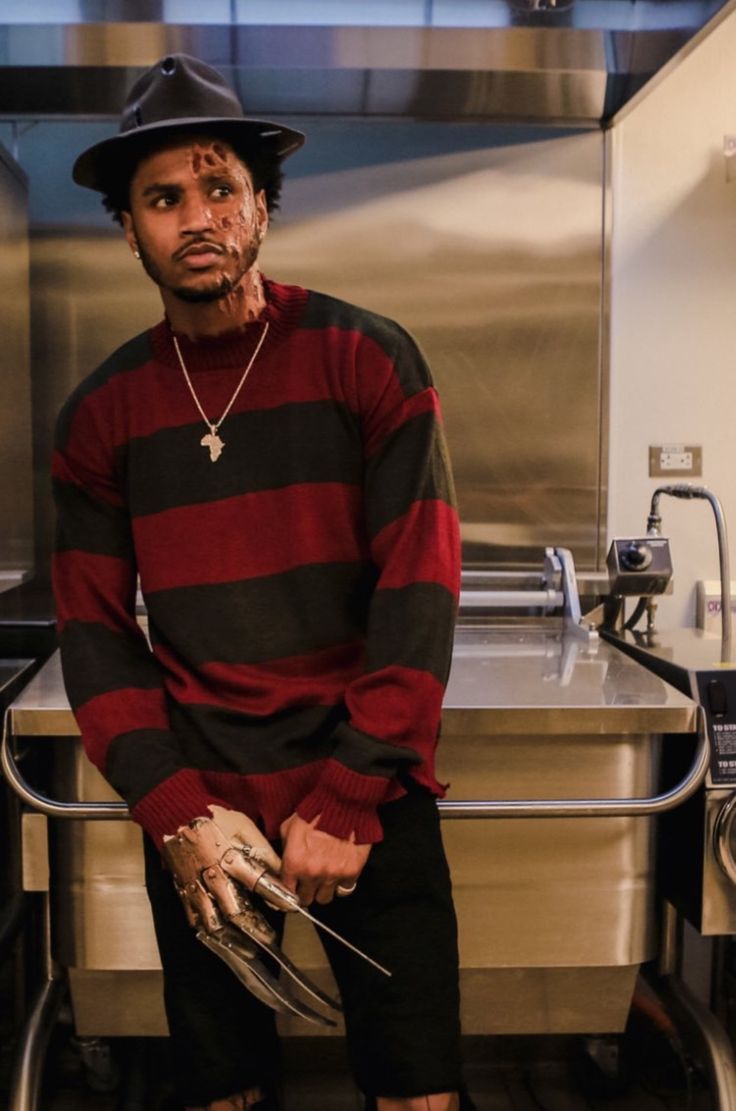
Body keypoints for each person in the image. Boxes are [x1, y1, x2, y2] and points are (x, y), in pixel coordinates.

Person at [52, 54, 472, 1111]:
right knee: (220, 1088)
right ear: (129, 227)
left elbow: (416, 591)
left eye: (220, 188)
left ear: (262, 207)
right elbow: (95, 634)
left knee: (417, 1089)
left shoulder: (367, 358)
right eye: (163, 198)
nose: (197, 217)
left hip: (367, 792)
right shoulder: (103, 414)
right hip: (203, 799)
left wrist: (350, 793)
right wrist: (177, 812)